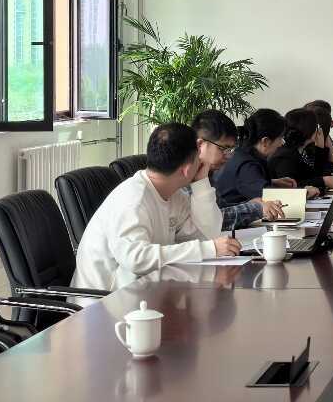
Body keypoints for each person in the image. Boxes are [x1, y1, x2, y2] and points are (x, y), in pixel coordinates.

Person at [72, 123, 240, 291]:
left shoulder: (173, 194)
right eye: (199, 157)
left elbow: (207, 235)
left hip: (144, 292)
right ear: (187, 170)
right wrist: (208, 249)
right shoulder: (133, 199)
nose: (202, 162)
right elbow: (136, 259)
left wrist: (201, 183)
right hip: (103, 301)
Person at [191, 109, 287, 232]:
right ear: (200, 145)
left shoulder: (206, 173)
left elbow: (217, 210)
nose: (229, 156)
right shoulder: (186, 176)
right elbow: (212, 221)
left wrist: (250, 205)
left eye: (231, 150)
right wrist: (255, 208)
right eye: (223, 148)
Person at [213, 109, 297, 209]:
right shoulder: (247, 165)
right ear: (265, 141)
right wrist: (305, 193)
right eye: (280, 138)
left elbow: (248, 183)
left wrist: (273, 182)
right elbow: (271, 199)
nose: (282, 143)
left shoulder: (243, 152)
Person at [268, 107, 333, 193]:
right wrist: (323, 181)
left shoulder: (297, 151)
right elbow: (290, 186)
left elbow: (315, 176)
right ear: (310, 130)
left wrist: (320, 149)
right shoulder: (285, 157)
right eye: (316, 126)